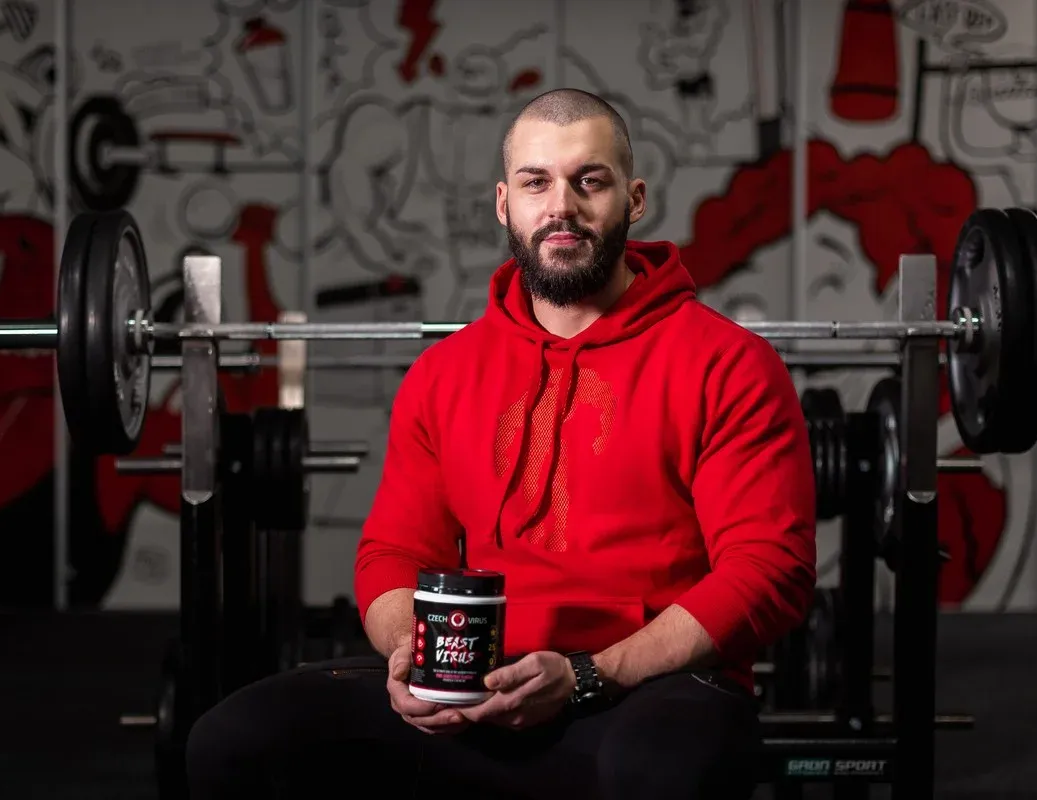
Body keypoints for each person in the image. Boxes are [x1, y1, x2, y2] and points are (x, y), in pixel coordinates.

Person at [185, 88, 818, 800]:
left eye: (590, 181)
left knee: (658, 770)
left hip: (645, 689)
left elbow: (770, 568)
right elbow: (393, 552)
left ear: (634, 199)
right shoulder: (444, 374)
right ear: (503, 203)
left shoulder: (727, 364)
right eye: (535, 182)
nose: (561, 207)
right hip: (478, 685)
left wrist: (591, 675)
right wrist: (409, 655)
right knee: (233, 743)